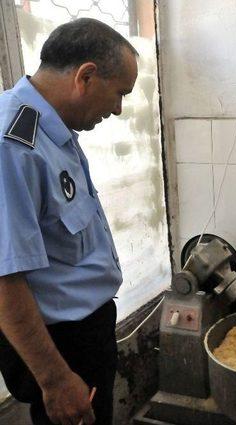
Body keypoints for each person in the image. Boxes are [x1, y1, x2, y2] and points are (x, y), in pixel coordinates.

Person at [0, 18, 138, 425]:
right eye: (119, 94)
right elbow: (5, 279)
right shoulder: (13, 145)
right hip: (59, 348)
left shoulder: (52, 130)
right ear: (87, 76)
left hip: (85, 333)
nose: (118, 109)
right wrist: (56, 380)